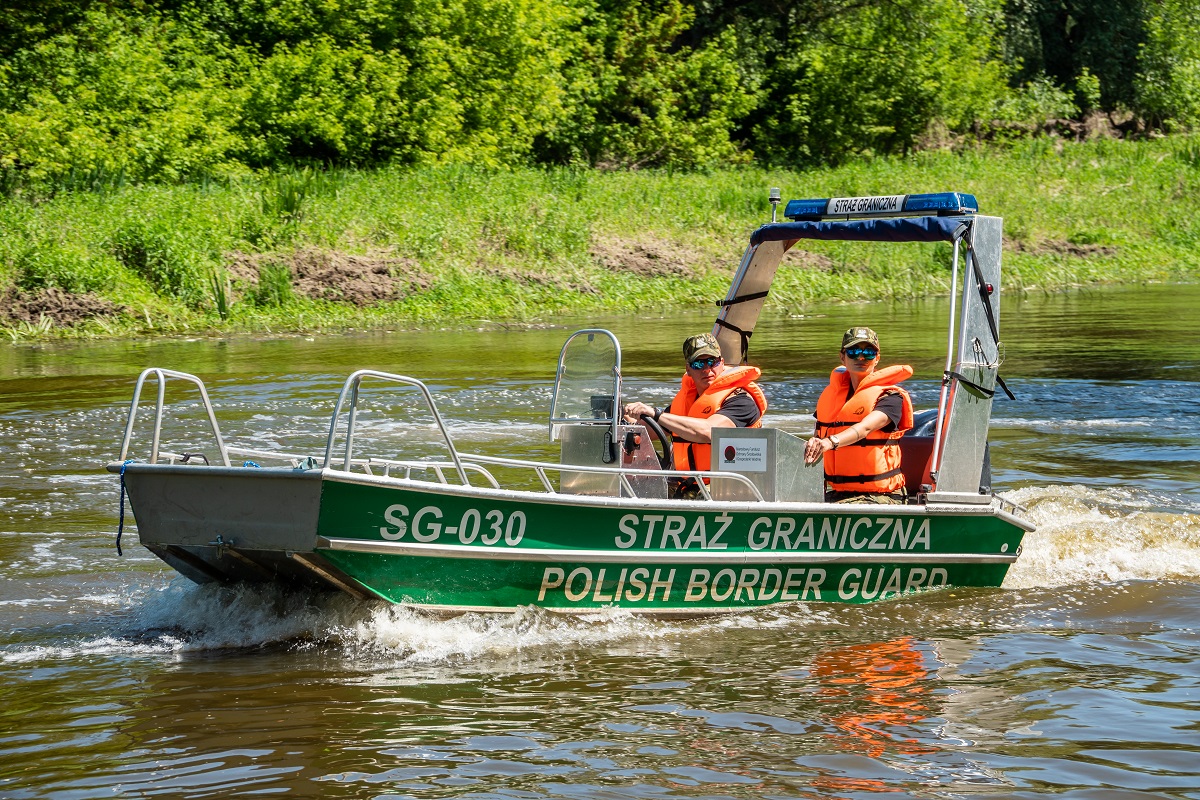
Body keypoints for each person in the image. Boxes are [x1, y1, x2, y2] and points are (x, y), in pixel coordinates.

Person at [623, 333, 767, 497]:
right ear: (688, 369)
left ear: (722, 362)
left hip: (734, 488)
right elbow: (651, 432)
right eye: (699, 363)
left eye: (712, 362)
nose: (707, 369)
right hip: (690, 486)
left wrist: (654, 413)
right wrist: (627, 422)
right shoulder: (685, 403)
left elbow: (708, 431)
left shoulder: (741, 401)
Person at [804, 326, 914, 504]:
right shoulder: (830, 396)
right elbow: (817, 437)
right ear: (842, 357)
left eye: (868, 353)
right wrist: (814, 443)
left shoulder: (891, 397)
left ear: (877, 358)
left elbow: (865, 428)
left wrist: (830, 442)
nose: (861, 358)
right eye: (854, 351)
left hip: (881, 497)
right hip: (840, 492)